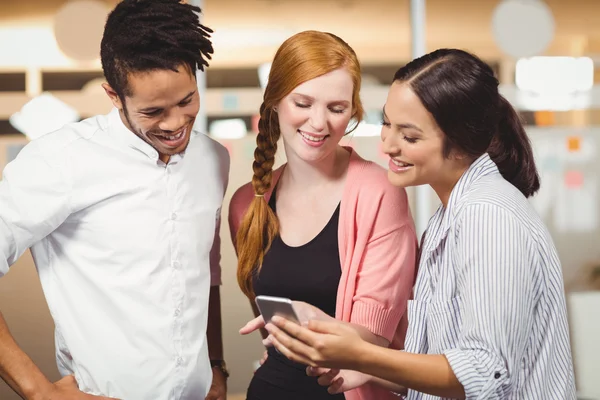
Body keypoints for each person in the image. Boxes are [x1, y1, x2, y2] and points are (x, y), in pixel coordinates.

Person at [262, 49, 577, 400]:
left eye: (409, 137)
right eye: (386, 124)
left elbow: (486, 373)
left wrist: (360, 353)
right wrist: (363, 365)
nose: (388, 145)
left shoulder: (488, 215)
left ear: (460, 143)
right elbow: (440, 371)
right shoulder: (448, 218)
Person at [0, 1, 230, 399]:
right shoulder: (60, 160)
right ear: (113, 94)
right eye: (153, 111)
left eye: (187, 101)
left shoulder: (213, 159)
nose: (176, 123)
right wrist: (39, 391)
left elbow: (203, 271)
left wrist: (215, 366)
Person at [229, 30, 418, 400]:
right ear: (274, 104)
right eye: (303, 103)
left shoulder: (381, 192)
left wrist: (307, 321)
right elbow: (272, 332)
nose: (318, 123)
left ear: (352, 112)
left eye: (336, 108)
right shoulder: (245, 203)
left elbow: (373, 338)